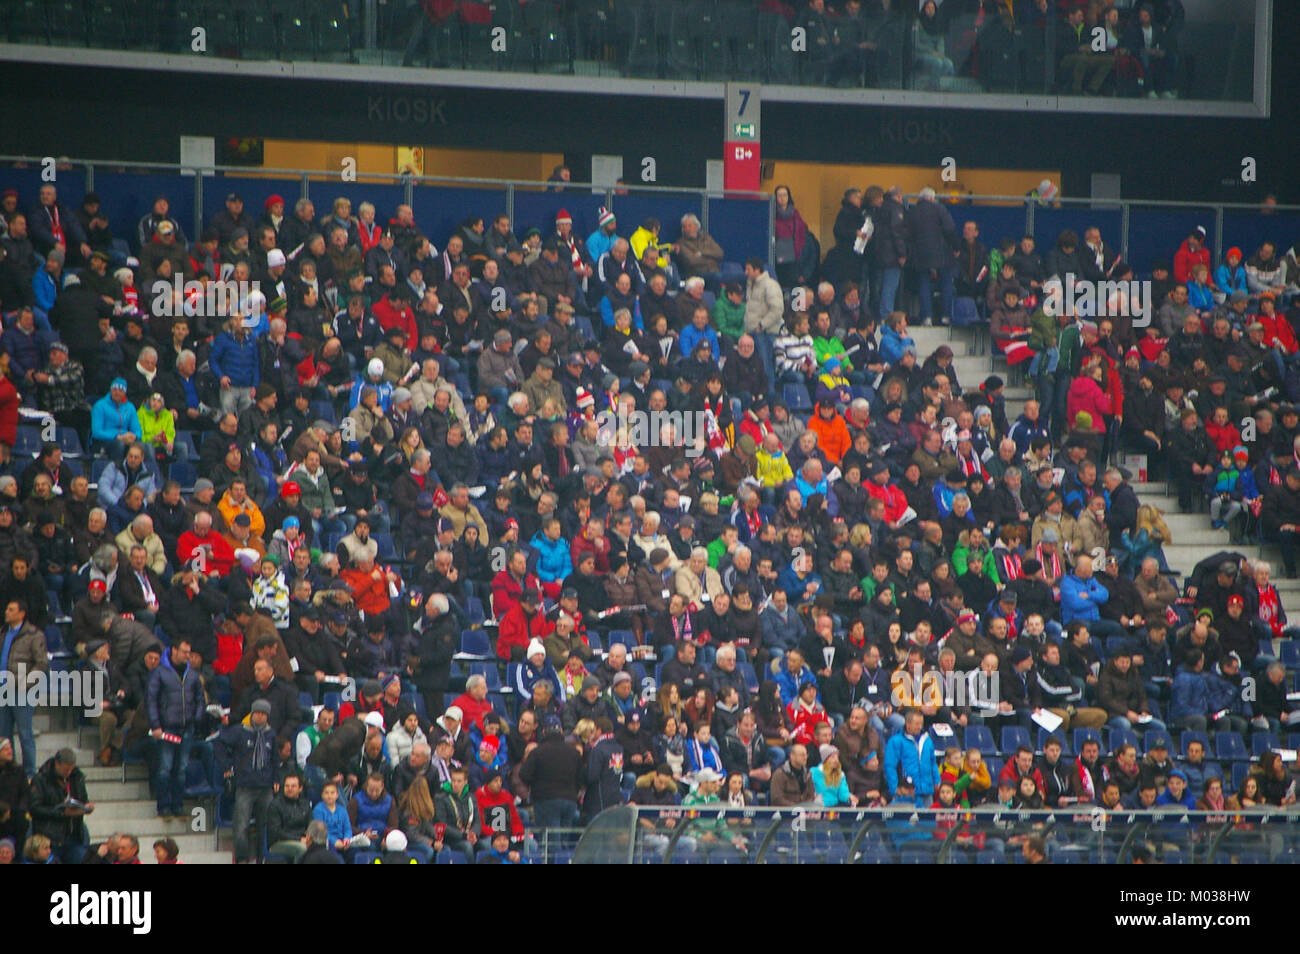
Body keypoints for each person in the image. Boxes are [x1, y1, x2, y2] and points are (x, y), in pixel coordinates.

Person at [214, 698, 278, 863]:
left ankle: (262, 857)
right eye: (257, 713)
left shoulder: (271, 734)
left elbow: (275, 759)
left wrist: (276, 779)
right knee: (241, 826)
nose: (260, 717)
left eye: (263, 714)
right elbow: (219, 741)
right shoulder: (240, 732)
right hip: (245, 786)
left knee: (265, 827)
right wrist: (227, 767)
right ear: (252, 713)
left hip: (265, 787)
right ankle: (242, 859)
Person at [28, 747, 94, 864]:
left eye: (71, 770)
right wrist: (61, 812)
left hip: (74, 835)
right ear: (57, 764)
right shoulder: (41, 779)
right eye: (65, 770)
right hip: (50, 837)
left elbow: (83, 798)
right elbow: (34, 808)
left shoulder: (76, 777)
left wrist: (86, 807)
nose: (68, 773)